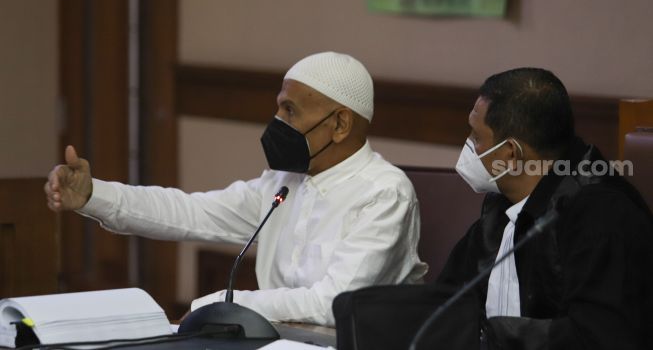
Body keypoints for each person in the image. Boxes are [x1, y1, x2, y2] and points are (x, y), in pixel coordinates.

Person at [44, 51, 427, 327]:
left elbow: (335, 304)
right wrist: (95, 196)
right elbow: (190, 212)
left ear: (340, 124)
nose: (276, 121)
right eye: (278, 108)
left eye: (290, 111)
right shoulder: (284, 182)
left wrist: (225, 303)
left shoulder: (385, 193)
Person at [437, 67, 653, 349]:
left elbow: (598, 336)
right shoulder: (503, 207)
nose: (469, 147)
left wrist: (487, 336)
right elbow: (443, 303)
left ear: (511, 153)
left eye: (476, 137)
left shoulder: (602, 216)